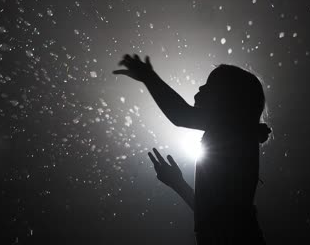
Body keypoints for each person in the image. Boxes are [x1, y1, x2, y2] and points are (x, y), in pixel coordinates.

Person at [115, 54, 271, 244]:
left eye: (210, 85)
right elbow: (210, 213)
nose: (201, 87)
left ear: (229, 98)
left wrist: (149, 77)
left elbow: (180, 114)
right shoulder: (234, 133)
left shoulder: (233, 128)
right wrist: (178, 183)